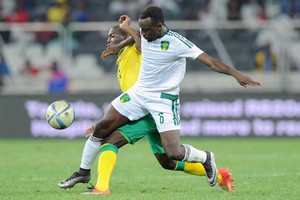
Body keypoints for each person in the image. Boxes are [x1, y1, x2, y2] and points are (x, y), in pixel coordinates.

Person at [62, 5, 262, 195]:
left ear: (159, 27)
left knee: (173, 154)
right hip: (139, 93)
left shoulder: (177, 43)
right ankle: (83, 172)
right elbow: (138, 39)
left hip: (163, 101)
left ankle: (206, 157)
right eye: (141, 29)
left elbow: (211, 62)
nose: (144, 34)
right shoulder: (145, 34)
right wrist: (122, 39)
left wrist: (238, 75)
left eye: (147, 30)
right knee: (102, 128)